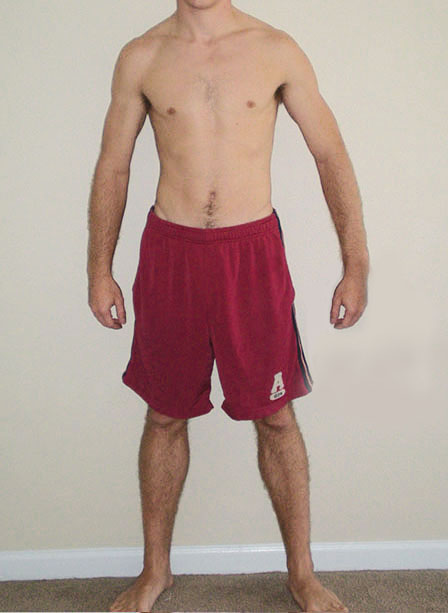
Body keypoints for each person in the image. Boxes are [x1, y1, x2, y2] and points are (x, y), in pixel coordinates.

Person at [87, 1, 369, 611]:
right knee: (165, 416)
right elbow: (114, 166)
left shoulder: (275, 49)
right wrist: (99, 269)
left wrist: (356, 264)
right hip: (172, 253)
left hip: (252, 256)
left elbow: (330, 155)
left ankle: (302, 576)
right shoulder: (142, 56)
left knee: (277, 417)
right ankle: (155, 571)